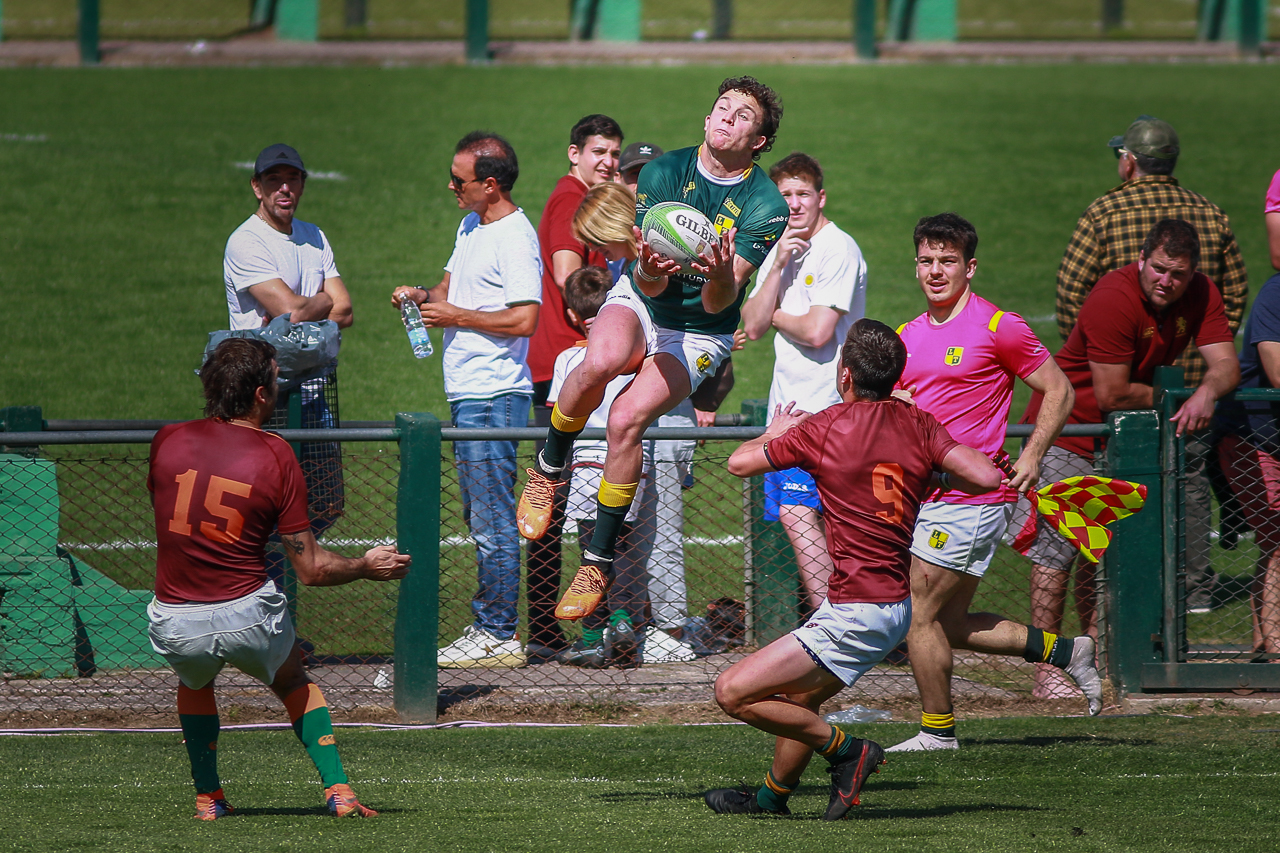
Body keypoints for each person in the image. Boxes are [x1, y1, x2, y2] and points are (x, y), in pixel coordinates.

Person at [704, 319, 1002, 820]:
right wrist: (934, 470)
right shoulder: (919, 424)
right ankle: (770, 799)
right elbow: (986, 475)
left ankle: (848, 751)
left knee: (732, 692)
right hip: (894, 609)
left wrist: (776, 431)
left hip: (855, 608)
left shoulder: (824, 427)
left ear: (844, 375)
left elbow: (738, 463)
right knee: (798, 699)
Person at [517, 75, 789, 622]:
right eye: (721, 107)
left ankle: (597, 561)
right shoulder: (665, 171)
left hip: (699, 330)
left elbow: (717, 304)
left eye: (743, 116)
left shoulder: (766, 206)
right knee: (599, 360)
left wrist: (716, 274)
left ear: (759, 141)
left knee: (626, 417)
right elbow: (651, 280)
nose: (726, 118)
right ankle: (549, 466)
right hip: (643, 295)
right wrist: (648, 266)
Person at [147, 338, 410, 820]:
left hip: (177, 620)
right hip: (248, 613)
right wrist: (366, 567)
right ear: (263, 395)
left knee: (194, 682)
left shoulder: (167, 438)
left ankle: (209, 798)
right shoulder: (276, 453)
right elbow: (311, 570)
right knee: (292, 681)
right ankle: (340, 792)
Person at [887, 213, 1094, 752]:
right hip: (929, 497)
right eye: (927, 261)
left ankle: (938, 732)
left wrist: (1032, 454)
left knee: (919, 613)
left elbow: (1059, 390)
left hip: (974, 496)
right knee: (951, 623)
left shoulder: (998, 326)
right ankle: (1065, 652)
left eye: (947, 261)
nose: (936, 271)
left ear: (969, 267)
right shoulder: (907, 336)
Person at [1022, 218, 1240, 680]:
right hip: (1070, 430)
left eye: (1178, 274)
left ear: (1193, 272)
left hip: (1124, 438)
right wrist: (1177, 395)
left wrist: (1206, 393)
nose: (1167, 281)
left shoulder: (1202, 292)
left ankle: (1096, 659)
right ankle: (1047, 671)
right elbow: (1112, 394)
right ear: (1142, 260)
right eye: (1159, 269)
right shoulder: (1113, 298)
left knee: (1106, 551)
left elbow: (1225, 364)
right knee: (1058, 550)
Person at [1056, 115, 1248, 614]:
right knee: (1187, 483)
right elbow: (1236, 292)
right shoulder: (1213, 213)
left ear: (1129, 162)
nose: (1165, 280)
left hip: (1119, 393)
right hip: (1181, 389)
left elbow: (1070, 292)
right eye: (1157, 269)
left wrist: (1098, 350)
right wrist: (1196, 380)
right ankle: (1193, 591)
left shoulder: (1103, 211)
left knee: (1101, 510)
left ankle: (1121, 610)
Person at [392, 131, 541, 668]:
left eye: (460, 180)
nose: (451, 187)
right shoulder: (470, 225)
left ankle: (497, 632)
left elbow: (525, 318)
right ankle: (491, 625)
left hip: (495, 393)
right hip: (469, 391)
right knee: (480, 512)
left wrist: (456, 317)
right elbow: (449, 292)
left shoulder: (516, 236)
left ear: (490, 184)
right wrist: (422, 296)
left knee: (493, 519)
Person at [566, 181, 701, 663]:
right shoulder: (624, 267)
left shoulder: (665, 256)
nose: (598, 251)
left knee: (659, 533)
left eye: (598, 239)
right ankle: (644, 624)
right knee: (636, 533)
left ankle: (671, 631)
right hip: (637, 412)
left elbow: (674, 335)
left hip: (665, 407)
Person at [223, 143, 353, 604]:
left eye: (293, 179)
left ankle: (278, 612)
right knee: (267, 514)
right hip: (265, 399)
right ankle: (270, 617)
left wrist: (306, 310)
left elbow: (347, 309)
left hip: (315, 393)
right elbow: (302, 310)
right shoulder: (246, 242)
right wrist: (315, 305)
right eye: (274, 180)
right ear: (256, 187)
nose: (285, 188)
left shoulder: (314, 235)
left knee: (324, 502)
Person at [742, 151, 867, 611]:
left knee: (803, 515)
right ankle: (843, 619)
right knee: (807, 517)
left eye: (802, 194)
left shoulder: (839, 249)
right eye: (785, 196)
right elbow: (750, 326)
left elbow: (817, 332)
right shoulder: (779, 246)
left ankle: (829, 621)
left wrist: (772, 313)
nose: (794, 204)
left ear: (821, 197)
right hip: (785, 411)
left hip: (825, 407)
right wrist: (775, 268)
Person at [525, 115, 625, 662]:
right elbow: (570, 280)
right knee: (557, 498)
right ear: (574, 154)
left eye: (614, 152)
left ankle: (566, 623)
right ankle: (545, 627)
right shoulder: (571, 201)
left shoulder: (584, 198)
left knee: (566, 499)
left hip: (580, 360)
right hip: (569, 364)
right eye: (599, 152)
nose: (608, 162)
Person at [551, 265, 656, 668]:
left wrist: (556, 473)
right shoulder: (636, 356)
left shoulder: (571, 359)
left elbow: (562, 413)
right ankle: (626, 621)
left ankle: (595, 637)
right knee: (625, 551)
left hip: (588, 468)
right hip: (631, 465)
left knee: (592, 555)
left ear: (573, 315)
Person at [1215, 271, 1280, 658]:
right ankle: (1273, 655)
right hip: (1253, 437)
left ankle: (1263, 651)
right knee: (1278, 541)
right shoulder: (1275, 292)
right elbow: (1276, 371)